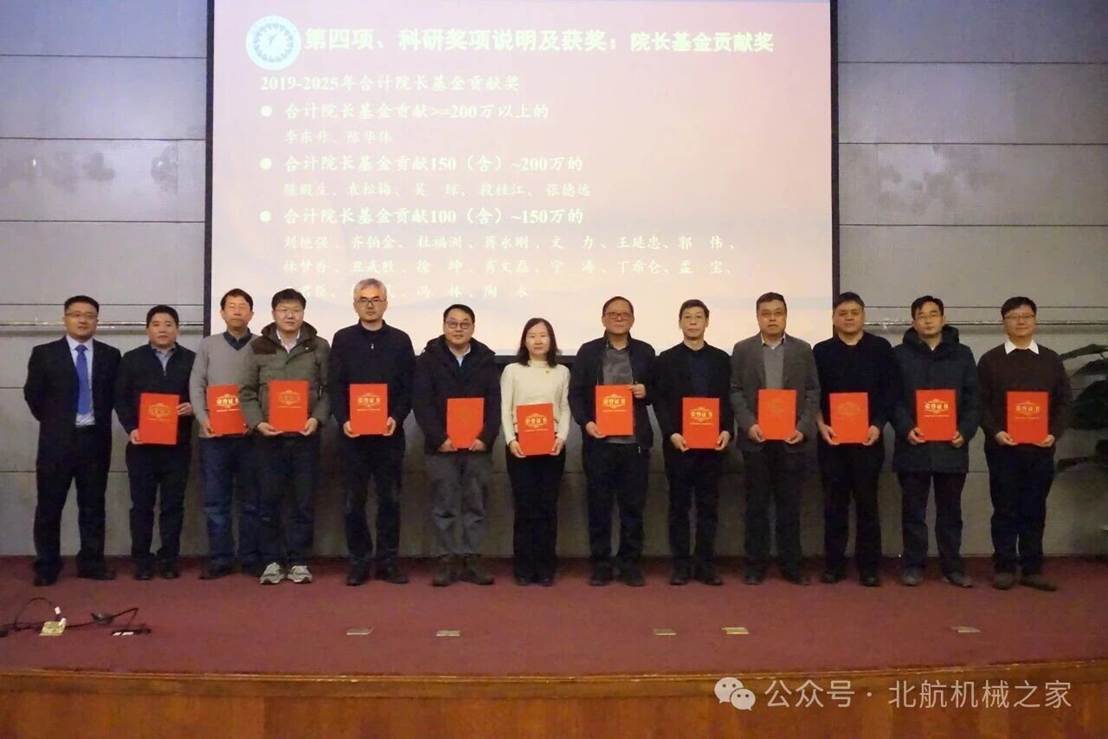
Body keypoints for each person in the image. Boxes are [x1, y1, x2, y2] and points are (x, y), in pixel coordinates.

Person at [23, 295, 121, 586]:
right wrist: (57, 423)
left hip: (95, 440)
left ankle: (91, 562)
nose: (82, 320)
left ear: (97, 321)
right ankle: (47, 565)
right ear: (64, 318)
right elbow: (33, 395)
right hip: (56, 442)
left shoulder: (110, 355)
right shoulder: (44, 353)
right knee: (49, 506)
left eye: (89, 315)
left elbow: (115, 395)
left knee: (92, 505)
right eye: (76, 314)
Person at [977, 296, 1072, 591]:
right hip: (1002, 448)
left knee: (1034, 508)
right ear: (1003, 322)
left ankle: (1032, 568)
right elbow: (980, 404)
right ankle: (1004, 567)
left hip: (1040, 448)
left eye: (1026, 316)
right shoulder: (990, 360)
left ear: (1035, 320)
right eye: (1014, 317)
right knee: (1004, 509)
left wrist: (1053, 433)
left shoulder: (1051, 360)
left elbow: (1064, 402)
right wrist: (995, 432)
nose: (1021, 321)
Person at [240, 288, 330, 586]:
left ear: (303, 313)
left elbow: (329, 390)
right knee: (269, 501)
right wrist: (257, 423)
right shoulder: (258, 346)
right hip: (268, 438)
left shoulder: (318, 346)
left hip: (305, 436)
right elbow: (247, 392)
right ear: (273, 313)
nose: (290, 315)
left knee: (302, 502)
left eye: (295, 310)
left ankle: (299, 560)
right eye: (284, 310)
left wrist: (317, 419)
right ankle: (272, 560)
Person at [329, 278, 415, 586]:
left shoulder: (401, 341)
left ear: (386, 303)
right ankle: (359, 562)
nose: (370, 304)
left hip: (389, 436)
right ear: (355, 305)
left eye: (376, 299)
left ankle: (388, 562)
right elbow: (335, 385)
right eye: (363, 299)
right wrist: (343, 419)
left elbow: (409, 387)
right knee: (354, 502)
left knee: (390, 501)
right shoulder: (343, 339)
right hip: (353, 437)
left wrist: (396, 417)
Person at [730, 292, 820, 585]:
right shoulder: (743, 349)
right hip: (756, 440)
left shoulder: (802, 350)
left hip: (791, 440)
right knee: (756, 506)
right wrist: (748, 424)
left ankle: (791, 565)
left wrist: (802, 427)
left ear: (785, 316)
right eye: (766, 313)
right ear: (757, 317)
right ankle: (755, 565)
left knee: (789, 507)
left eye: (777, 313)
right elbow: (735, 391)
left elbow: (813, 391)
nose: (772, 318)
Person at [813, 292, 899, 587]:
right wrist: (821, 425)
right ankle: (834, 565)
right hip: (832, 441)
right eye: (842, 313)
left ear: (863, 316)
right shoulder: (821, 351)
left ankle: (869, 567)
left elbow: (890, 392)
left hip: (868, 440)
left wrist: (878, 425)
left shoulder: (880, 348)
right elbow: (813, 394)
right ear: (833, 317)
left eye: (854, 312)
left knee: (867, 505)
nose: (848, 317)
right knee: (833, 505)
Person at [892, 295, 979, 588]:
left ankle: (952, 567)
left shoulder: (963, 354)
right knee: (913, 512)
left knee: (950, 512)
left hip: (951, 446)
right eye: (921, 315)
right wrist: (906, 428)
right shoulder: (899, 355)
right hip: (913, 445)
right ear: (913, 322)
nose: (928, 320)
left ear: (944, 318)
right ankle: (913, 565)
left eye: (933, 314)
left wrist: (965, 430)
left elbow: (973, 399)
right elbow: (893, 399)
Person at [569, 296, 656, 587]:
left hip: (635, 444)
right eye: (613, 313)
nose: (619, 318)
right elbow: (576, 394)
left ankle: (630, 563)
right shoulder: (589, 351)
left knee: (633, 508)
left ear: (633, 319)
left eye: (624, 314)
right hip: (600, 443)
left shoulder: (645, 351)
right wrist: (586, 423)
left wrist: (646, 391)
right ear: (603, 318)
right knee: (599, 507)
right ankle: (601, 564)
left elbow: (658, 391)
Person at [413, 304, 501, 587]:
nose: (458, 329)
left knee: (476, 505)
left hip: (477, 447)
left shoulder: (486, 359)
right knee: (444, 505)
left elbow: (495, 403)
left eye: (465, 324)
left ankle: (472, 558)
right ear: (443, 326)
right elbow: (422, 403)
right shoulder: (428, 359)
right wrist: (439, 438)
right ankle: (447, 559)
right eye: (453, 323)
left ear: (473, 328)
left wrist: (485, 437)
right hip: (441, 447)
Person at [651, 299, 733, 586]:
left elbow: (730, 399)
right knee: (679, 507)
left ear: (707, 322)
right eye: (688, 317)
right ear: (680, 322)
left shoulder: (722, 359)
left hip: (713, 445)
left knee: (709, 507)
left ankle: (705, 564)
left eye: (699, 317)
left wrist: (727, 430)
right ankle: (681, 565)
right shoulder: (666, 359)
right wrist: (671, 432)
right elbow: (660, 401)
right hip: (679, 444)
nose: (694, 322)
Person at [114, 305, 195, 580]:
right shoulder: (131, 359)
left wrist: (193, 407)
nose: (162, 329)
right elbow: (120, 398)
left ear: (177, 329)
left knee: (173, 506)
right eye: (157, 324)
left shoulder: (191, 359)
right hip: (142, 446)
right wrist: (131, 428)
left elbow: (202, 393)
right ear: (147, 329)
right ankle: (142, 560)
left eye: (168, 324)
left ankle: (169, 559)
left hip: (177, 446)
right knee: (142, 506)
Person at [189, 288, 261, 579]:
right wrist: (203, 418)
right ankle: (220, 558)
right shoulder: (208, 345)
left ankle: (250, 557)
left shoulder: (262, 345)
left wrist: (257, 421)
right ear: (221, 313)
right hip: (214, 437)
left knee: (252, 502)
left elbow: (267, 388)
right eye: (231, 306)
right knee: (216, 502)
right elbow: (197, 384)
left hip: (251, 437)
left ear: (252, 314)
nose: (237, 311)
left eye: (243, 306)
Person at [500, 317, 570, 586]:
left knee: (547, 507)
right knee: (525, 506)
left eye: (543, 335)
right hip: (520, 444)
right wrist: (510, 440)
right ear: (524, 341)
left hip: (552, 445)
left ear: (551, 340)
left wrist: (561, 437)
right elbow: (505, 408)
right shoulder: (512, 370)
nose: (538, 340)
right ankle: (524, 566)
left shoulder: (562, 371)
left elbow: (565, 408)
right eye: (532, 335)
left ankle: (545, 566)